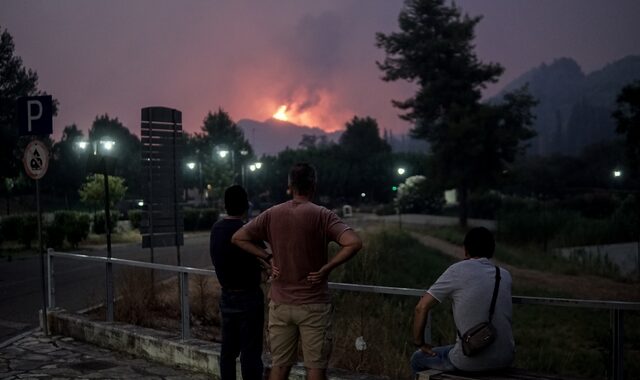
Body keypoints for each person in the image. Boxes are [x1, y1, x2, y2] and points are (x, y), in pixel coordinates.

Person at [232, 162, 363, 380]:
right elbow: (354, 243)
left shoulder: (272, 213)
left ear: (290, 185)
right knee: (315, 369)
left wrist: (268, 257)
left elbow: (238, 237)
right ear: (313, 185)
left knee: (280, 367)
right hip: (314, 304)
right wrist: (326, 268)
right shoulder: (322, 215)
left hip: (280, 304)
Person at [410, 227, 514, 374]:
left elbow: (421, 307)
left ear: (466, 250)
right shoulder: (505, 275)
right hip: (506, 358)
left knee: (418, 359)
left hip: (470, 361)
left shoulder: (458, 270)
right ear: (492, 251)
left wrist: (419, 342)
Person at [210, 185, 267, 380]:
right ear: (246, 206)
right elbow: (265, 258)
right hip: (249, 297)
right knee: (250, 353)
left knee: (228, 352)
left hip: (226, 295)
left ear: (225, 205)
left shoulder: (216, 229)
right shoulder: (247, 231)